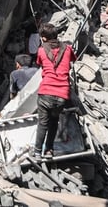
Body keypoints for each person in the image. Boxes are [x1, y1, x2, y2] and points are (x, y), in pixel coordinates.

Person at [33, 22, 75, 161]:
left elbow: (40, 63)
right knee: (54, 122)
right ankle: (49, 150)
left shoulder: (41, 50)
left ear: (44, 38)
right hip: (62, 93)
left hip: (46, 91)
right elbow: (73, 60)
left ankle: (38, 152)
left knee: (43, 123)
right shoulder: (67, 49)